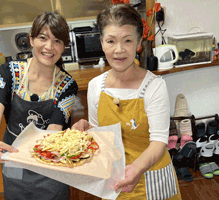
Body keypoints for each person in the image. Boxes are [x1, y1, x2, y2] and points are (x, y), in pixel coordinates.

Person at [72, 4, 182, 200]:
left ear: (138, 43)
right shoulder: (96, 86)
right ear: (102, 42)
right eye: (111, 41)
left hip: (153, 178)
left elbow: (159, 142)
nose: (119, 50)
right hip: (115, 178)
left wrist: (136, 169)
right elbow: (100, 134)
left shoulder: (154, 86)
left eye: (128, 40)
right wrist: (87, 130)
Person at [0, 11, 78, 200]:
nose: (49, 47)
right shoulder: (8, 72)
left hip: (50, 158)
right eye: (43, 38)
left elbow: (54, 129)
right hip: (14, 156)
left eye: (57, 41)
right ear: (31, 39)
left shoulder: (67, 85)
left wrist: (42, 153)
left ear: (64, 46)